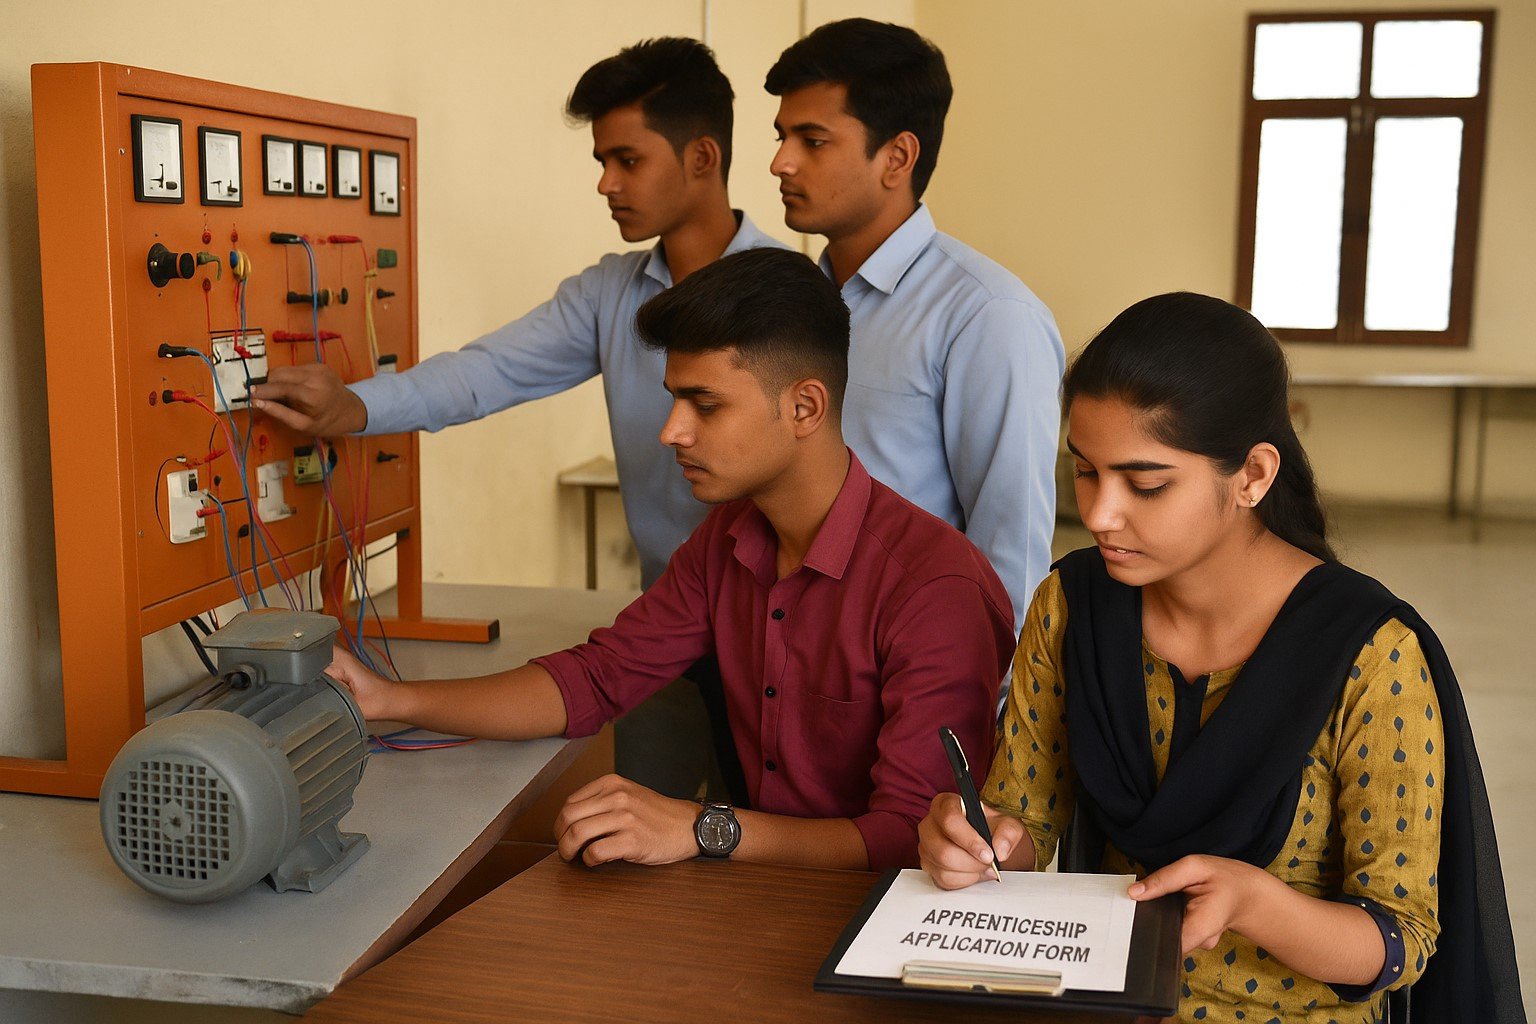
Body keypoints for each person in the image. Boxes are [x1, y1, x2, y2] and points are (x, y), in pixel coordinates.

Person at [916, 292, 1524, 1023]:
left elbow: (1401, 941)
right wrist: (981, 843)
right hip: (1104, 995)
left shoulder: (1369, 657)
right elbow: (1024, 818)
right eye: (1085, 472)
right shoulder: (1073, 608)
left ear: (1253, 477)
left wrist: (1258, 903)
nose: (1101, 514)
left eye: (1145, 485)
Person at [327, 248, 1015, 872]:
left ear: (805, 406)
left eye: (704, 405)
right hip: (759, 897)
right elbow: (598, 679)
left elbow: (907, 839)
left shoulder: (934, 587)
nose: (671, 431)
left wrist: (705, 827)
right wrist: (391, 698)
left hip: (874, 918)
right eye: (674, 398)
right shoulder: (727, 541)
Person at [250, 37, 785, 802]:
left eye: (627, 160)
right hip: (661, 626)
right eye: (600, 161)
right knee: (639, 837)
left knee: (767, 848)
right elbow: (488, 371)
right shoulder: (610, 294)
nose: (606, 183)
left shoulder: (791, 302)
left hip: (773, 634)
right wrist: (355, 405)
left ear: (702, 157)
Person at [765, 18, 1065, 634]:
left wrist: (979, 706)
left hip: (911, 677)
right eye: (781, 136)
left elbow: (1012, 549)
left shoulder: (986, 315)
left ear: (897, 157)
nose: (780, 163)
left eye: (812, 141)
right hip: (778, 662)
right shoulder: (789, 304)